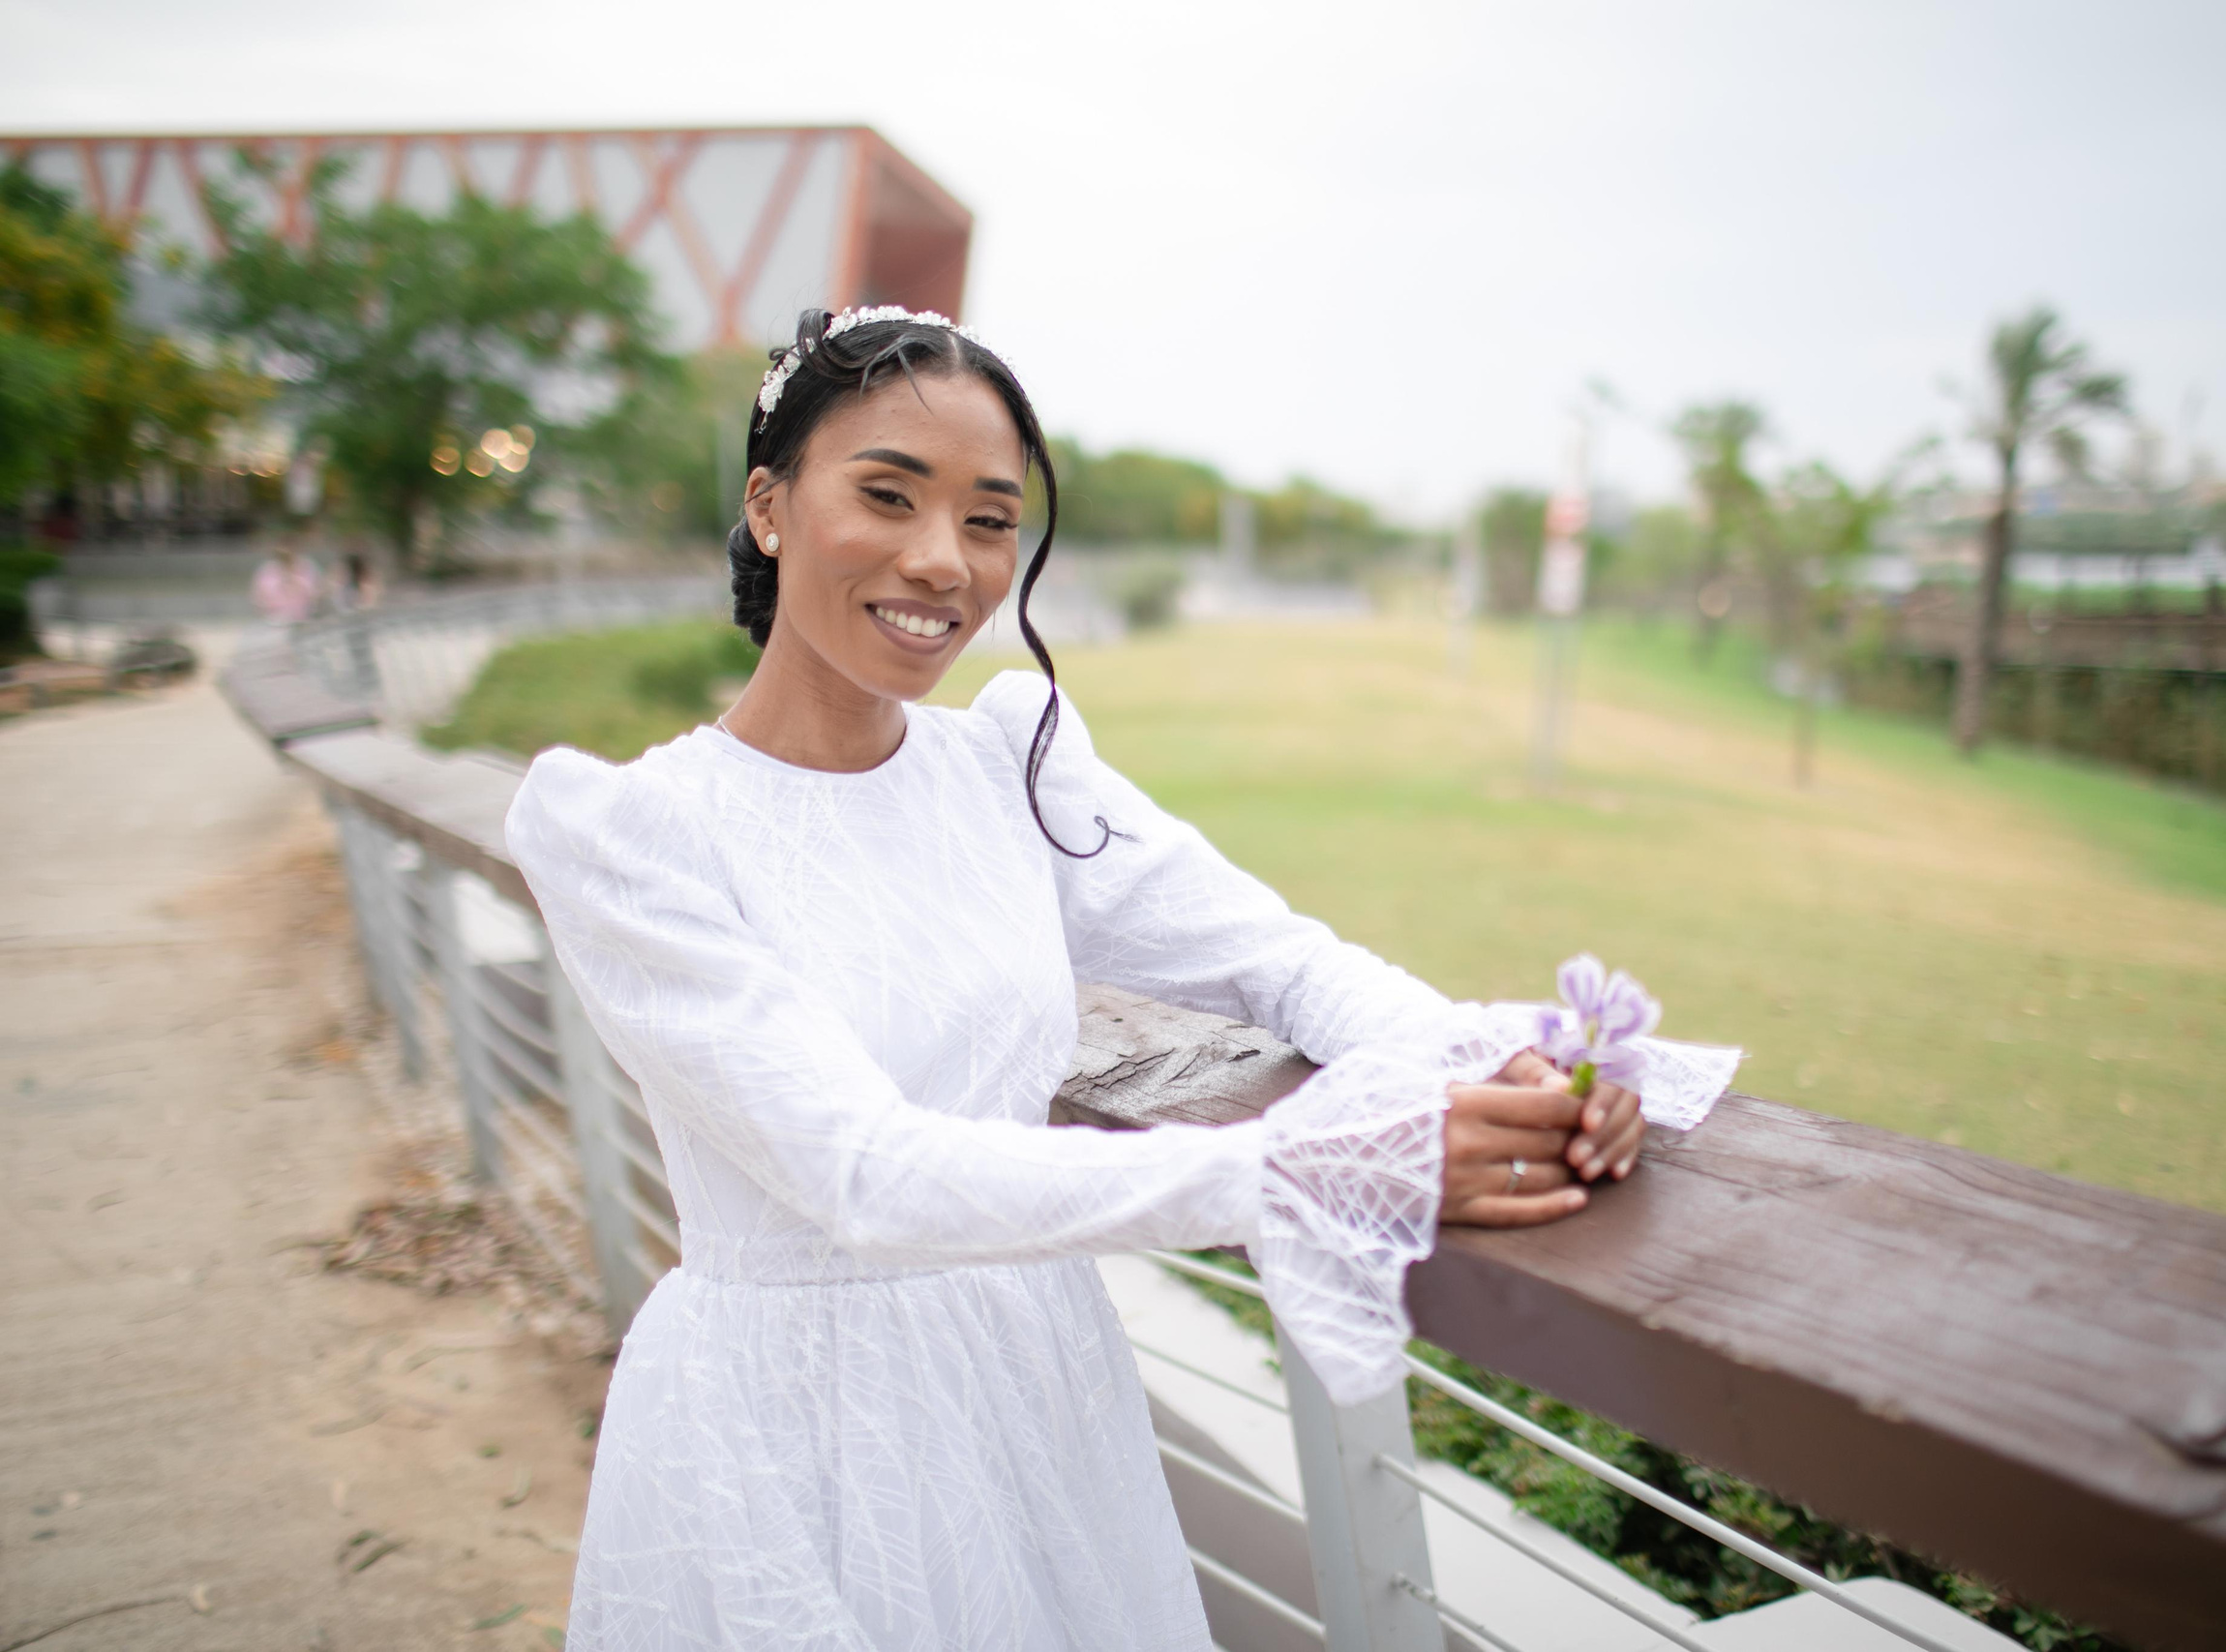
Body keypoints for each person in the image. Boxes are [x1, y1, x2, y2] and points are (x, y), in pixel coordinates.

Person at [503, 307, 1740, 1650]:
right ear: (768, 505)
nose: (943, 560)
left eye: (989, 518)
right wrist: (1316, 1171)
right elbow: (859, 1170)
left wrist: (1496, 1068)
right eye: (886, 494)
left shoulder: (1010, 770)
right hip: (803, 1425)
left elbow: (1278, 959)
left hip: (1040, 1380)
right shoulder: (633, 831)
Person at [248, 537, 320, 625]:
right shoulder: (267, 569)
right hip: (273, 618)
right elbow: (258, 596)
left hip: (303, 618)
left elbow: (315, 592)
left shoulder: (307, 567)